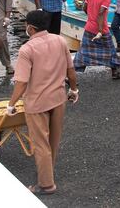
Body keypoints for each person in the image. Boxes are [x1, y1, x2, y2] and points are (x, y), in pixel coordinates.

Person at [6, 10, 79, 196]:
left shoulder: (27, 49)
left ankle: (46, 184)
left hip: (37, 102)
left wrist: (11, 104)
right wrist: (74, 89)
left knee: (40, 144)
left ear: (30, 28)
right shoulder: (60, 41)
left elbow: (21, 82)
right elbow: (71, 69)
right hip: (58, 98)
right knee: (53, 140)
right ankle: (48, 172)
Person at [73, 0, 120, 78]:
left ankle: (69, 74)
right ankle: (116, 71)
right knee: (110, 50)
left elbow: (84, 8)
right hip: (101, 29)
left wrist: (91, 18)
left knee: (83, 51)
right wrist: (101, 31)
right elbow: (101, 13)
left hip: (89, 28)